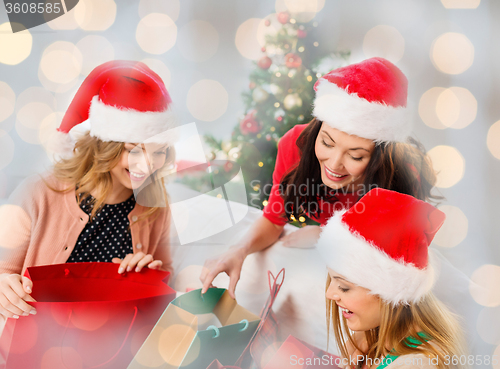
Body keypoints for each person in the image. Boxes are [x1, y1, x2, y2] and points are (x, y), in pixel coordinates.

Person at [200, 57, 440, 298]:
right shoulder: (295, 145)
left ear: (379, 158)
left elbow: (391, 265)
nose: (334, 164)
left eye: (355, 156)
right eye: (327, 142)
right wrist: (238, 250)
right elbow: (274, 220)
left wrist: (327, 235)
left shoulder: (401, 177)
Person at [0, 61, 178, 320]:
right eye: (133, 150)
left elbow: (166, 279)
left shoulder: (156, 206)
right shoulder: (38, 193)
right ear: (105, 146)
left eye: (159, 152)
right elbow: (3, 271)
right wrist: (5, 286)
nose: (148, 165)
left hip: (114, 348)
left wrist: (148, 275)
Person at [317, 188, 466, 369]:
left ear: (389, 292)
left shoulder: (418, 364)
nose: (329, 294)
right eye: (331, 279)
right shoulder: (369, 337)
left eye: (344, 287)